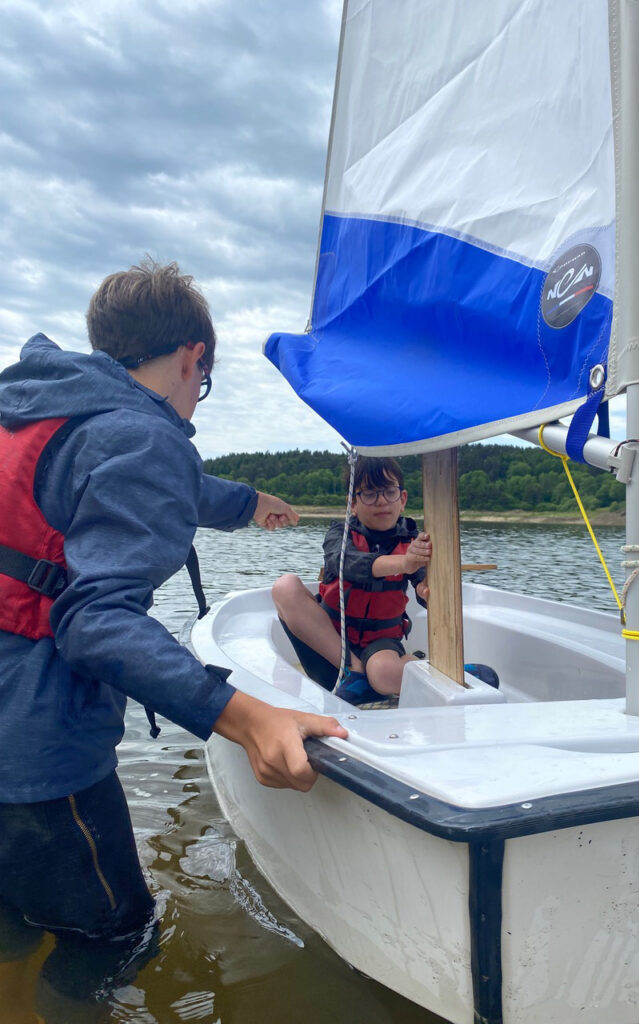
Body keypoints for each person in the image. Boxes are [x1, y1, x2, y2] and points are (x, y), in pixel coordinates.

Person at [0, 259, 347, 1012]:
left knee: (13, 924)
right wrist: (248, 719)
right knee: (114, 940)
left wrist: (248, 502)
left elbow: (133, 477)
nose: (196, 403)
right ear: (192, 357)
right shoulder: (140, 436)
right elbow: (94, 620)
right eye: (204, 382)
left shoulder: (36, 406)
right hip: (33, 753)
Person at [272, 456, 432, 706]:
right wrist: (403, 562)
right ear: (353, 504)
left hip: (380, 645)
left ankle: (441, 674)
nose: (381, 500)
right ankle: (354, 671)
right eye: (369, 493)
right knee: (285, 586)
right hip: (328, 644)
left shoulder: (413, 542)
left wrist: (426, 589)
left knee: (383, 673)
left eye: (389, 492)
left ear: (402, 500)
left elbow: (423, 584)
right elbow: (346, 564)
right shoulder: (339, 534)